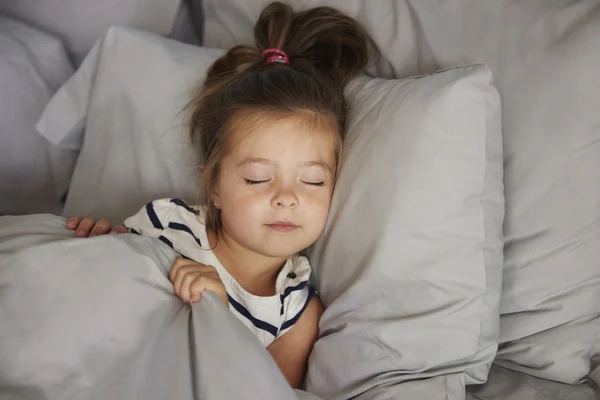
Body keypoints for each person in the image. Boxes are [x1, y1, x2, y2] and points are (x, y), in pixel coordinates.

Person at [66, 1, 378, 388]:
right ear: (213, 186)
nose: (286, 197)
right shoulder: (169, 226)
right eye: (258, 178)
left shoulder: (296, 313)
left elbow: (263, 392)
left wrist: (220, 318)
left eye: (313, 181)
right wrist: (97, 246)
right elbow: (106, 306)